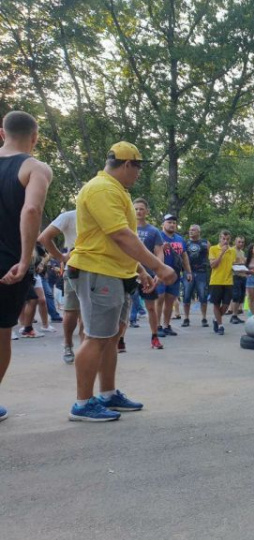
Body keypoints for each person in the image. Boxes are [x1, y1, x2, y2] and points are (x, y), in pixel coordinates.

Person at [67, 141, 176, 422]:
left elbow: (120, 240)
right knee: (96, 337)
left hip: (116, 271)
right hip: (98, 271)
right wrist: (159, 267)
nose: (139, 173)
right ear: (127, 164)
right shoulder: (102, 189)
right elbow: (121, 236)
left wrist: (139, 271)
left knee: (112, 337)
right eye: (138, 167)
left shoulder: (117, 191)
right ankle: (82, 403)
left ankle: (107, 393)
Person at [0, 111, 53, 422]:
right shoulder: (34, 168)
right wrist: (24, 258)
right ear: (34, 137)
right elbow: (31, 209)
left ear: (2, 133)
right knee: (2, 334)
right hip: (8, 262)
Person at [39, 209, 81, 363]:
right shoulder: (69, 216)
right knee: (71, 310)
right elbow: (44, 237)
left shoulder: (104, 213)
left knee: (89, 313)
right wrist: (61, 257)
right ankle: (68, 344)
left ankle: (86, 349)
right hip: (76, 269)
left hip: (100, 269)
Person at [133, 198, 165, 350]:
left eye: (141, 209)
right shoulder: (127, 228)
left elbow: (159, 252)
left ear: (147, 211)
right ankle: (119, 340)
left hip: (148, 274)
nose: (138, 211)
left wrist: (159, 270)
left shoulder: (153, 231)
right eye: (136, 209)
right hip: (128, 273)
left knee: (151, 308)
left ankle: (155, 337)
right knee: (122, 308)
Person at [156, 214, 190, 337]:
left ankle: (166, 325)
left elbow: (184, 256)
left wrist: (188, 272)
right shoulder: (157, 236)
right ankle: (157, 326)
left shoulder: (180, 239)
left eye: (174, 223)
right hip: (160, 273)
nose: (172, 224)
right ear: (163, 224)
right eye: (169, 222)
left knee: (170, 300)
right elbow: (147, 252)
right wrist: (160, 249)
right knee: (159, 299)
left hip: (175, 274)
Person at [208, 230, 236, 335]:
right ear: (220, 238)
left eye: (227, 239)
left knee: (226, 304)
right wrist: (222, 253)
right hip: (216, 280)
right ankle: (220, 325)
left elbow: (234, 265)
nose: (225, 241)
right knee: (216, 304)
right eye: (223, 239)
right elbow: (213, 265)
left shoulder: (232, 251)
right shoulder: (213, 249)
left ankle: (216, 319)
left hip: (228, 281)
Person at [182, 224, 209, 327]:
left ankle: (204, 318)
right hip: (188, 272)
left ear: (198, 232)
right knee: (186, 295)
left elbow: (209, 257)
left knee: (203, 295)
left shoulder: (205, 243)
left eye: (193, 230)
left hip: (201, 272)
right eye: (190, 230)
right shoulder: (185, 243)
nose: (191, 231)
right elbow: (181, 256)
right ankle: (186, 318)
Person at [229, 235, 247, 324]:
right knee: (236, 296)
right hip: (235, 276)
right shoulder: (232, 250)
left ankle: (236, 315)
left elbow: (243, 262)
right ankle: (233, 315)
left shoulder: (242, 252)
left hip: (243, 276)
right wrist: (241, 263)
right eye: (239, 242)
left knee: (241, 296)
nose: (241, 243)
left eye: (242, 242)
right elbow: (230, 263)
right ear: (235, 242)